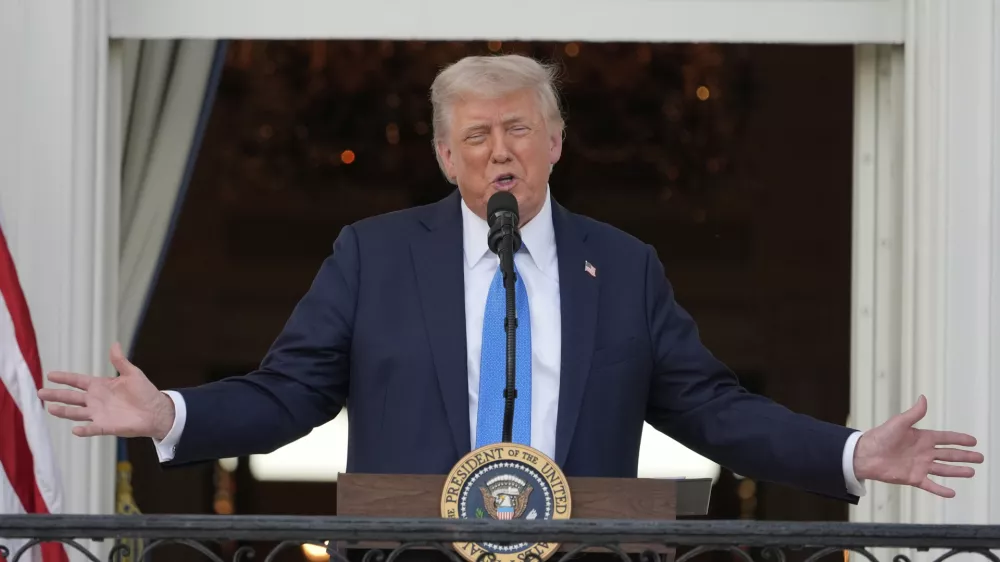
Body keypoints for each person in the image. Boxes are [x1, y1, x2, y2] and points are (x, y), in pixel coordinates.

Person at [40, 54, 981, 504]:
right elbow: (289, 394)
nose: (501, 153)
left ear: (556, 144)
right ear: (446, 155)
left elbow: (714, 411)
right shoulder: (373, 255)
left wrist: (854, 453)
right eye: (479, 137)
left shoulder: (625, 268)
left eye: (519, 130)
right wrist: (171, 415)